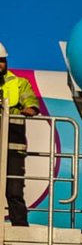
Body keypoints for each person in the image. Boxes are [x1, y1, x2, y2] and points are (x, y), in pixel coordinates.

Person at [0, 44, 39, 226]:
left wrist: (32, 108)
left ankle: (20, 227)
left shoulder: (19, 83)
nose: (0, 64)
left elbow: (30, 99)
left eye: (2, 60)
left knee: (14, 191)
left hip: (13, 147)